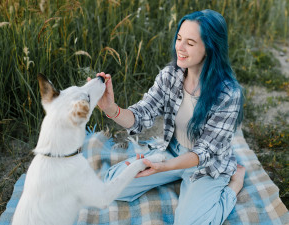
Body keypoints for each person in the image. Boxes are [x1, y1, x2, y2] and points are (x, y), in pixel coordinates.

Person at [88, 9, 246, 225]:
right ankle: (174, 175)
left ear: (210, 48)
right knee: (112, 186)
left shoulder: (229, 94)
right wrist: (111, 108)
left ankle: (234, 185)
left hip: (206, 165)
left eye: (190, 43)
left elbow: (205, 152)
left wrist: (164, 168)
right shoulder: (170, 75)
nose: (179, 47)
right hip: (173, 151)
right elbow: (142, 115)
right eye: (179, 38)